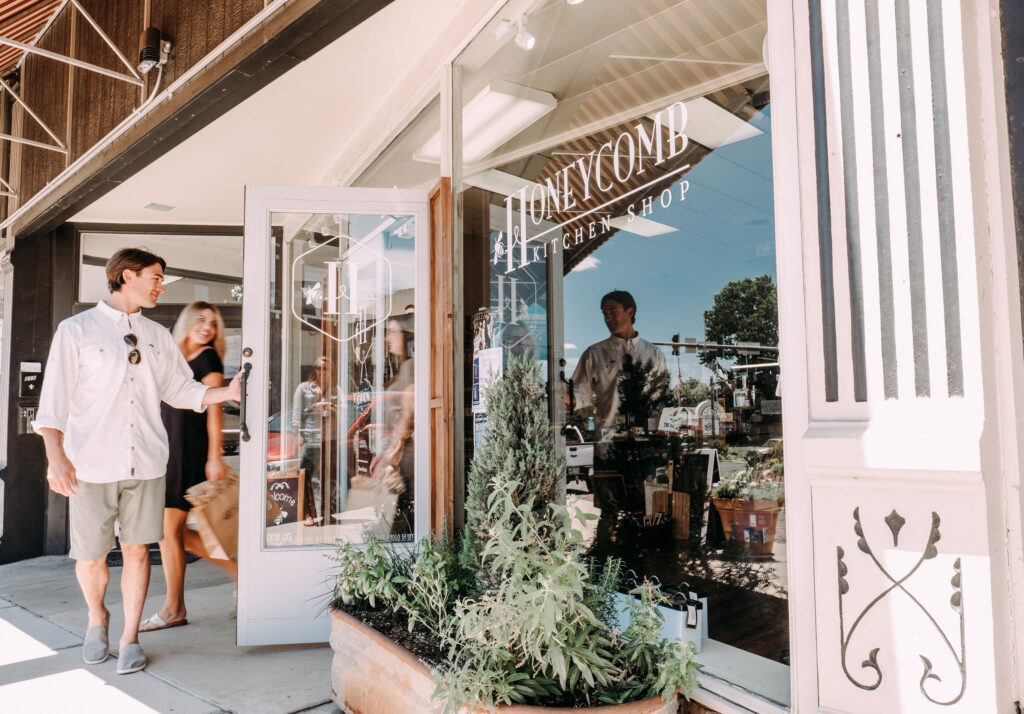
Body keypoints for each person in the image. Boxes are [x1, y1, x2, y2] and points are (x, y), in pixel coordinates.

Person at [33, 248, 242, 675]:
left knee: (138, 552)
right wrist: (56, 459)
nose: (161, 285)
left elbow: (181, 391)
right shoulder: (76, 331)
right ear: (127, 276)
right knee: (90, 556)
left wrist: (228, 392)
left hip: (147, 464)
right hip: (90, 465)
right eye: (156, 277)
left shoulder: (156, 335)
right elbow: (52, 403)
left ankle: (129, 636)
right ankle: (98, 619)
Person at [139, 301, 235, 633]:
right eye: (201, 320)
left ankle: (174, 608)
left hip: (186, 451)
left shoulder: (208, 358)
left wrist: (214, 456)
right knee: (176, 533)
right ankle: (242, 574)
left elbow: (215, 411)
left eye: (213, 323)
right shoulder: (172, 356)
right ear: (185, 323)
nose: (208, 327)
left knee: (168, 531)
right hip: (164, 448)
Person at [571, 290, 667, 454]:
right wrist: (565, 398)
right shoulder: (594, 354)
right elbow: (578, 394)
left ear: (630, 312)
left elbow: (661, 399)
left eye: (613, 312)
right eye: (604, 314)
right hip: (608, 445)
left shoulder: (654, 354)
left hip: (647, 446)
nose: (608, 318)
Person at [370, 313, 415, 532]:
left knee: (404, 520)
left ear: (408, 336)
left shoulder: (411, 369)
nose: (387, 338)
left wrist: (391, 454)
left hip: (407, 458)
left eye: (392, 332)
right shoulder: (402, 370)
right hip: (400, 456)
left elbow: (408, 417)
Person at [291, 356, 331, 525]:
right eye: (319, 368)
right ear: (314, 370)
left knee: (323, 478)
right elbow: (296, 412)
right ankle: (307, 513)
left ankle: (320, 512)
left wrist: (329, 406)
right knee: (306, 477)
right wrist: (297, 433)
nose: (322, 372)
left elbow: (342, 410)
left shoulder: (333, 389)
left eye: (326, 369)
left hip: (326, 438)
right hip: (307, 438)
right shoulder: (304, 388)